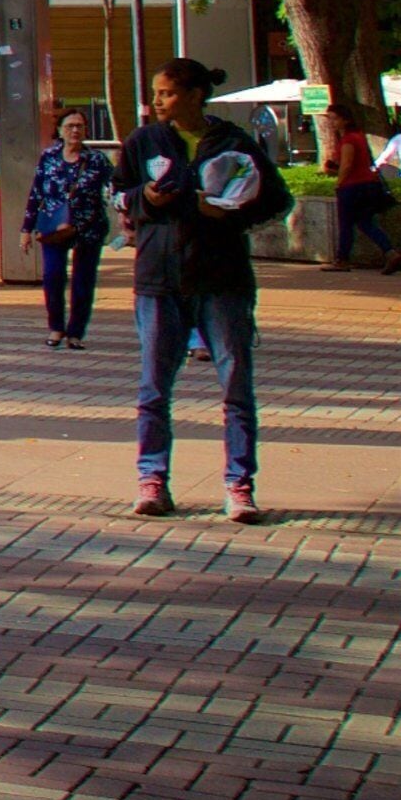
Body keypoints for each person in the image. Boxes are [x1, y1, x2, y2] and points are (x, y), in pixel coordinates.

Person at [118, 57, 291, 522]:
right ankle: (152, 480)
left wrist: (231, 213)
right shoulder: (143, 142)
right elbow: (118, 195)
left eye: (168, 93)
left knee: (236, 387)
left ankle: (239, 484)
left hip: (222, 280)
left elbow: (277, 199)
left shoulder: (235, 143)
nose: (158, 101)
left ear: (195, 96)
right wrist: (143, 199)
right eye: (156, 92)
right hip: (158, 280)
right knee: (154, 389)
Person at [25, 109, 113, 349]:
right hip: (54, 226)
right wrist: (27, 228)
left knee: (83, 280)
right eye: (70, 126)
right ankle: (56, 327)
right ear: (60, 130)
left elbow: (115, 186)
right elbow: (36, 192)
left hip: (89, 227)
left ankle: (76, 333)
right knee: (53, 275)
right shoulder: (49, 156)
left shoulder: (96, 160)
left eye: (80, 126)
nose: (75, 130)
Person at [330, 118, 394, 271]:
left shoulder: (348, 140)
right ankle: (390, 252)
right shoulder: (359, 136)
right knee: (365, 222)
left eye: (334, 118)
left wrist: (339, 183)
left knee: (346, 224)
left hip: (351, 187)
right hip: (367, 184)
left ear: (345, 120)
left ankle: (342, 259)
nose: (332, 122)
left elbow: (347, 164)